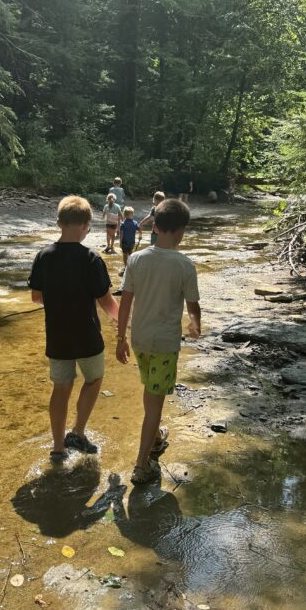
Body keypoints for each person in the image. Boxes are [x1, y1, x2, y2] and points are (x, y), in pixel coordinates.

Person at [115, 199, 201, 485]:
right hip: (164, 343)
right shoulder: (184, 264)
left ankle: (155, 435)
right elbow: (193, 304)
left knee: (150, 392)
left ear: (156, 225)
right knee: (155, 403)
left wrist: (120, 339)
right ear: (181, 231)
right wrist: (194, 324)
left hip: (139, 340)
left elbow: (125, 301)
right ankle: (142, 464)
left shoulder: (137, 259)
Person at [29, 195, 119, 462]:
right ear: (86, 226)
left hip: (57, 335)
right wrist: (124, 322)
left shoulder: (43, 256)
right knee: (93, 380)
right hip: (87, 336)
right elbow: (106, 301)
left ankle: (58, 448)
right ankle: (78, 432)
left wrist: (59, 296)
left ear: (59, 223)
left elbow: (36, 296)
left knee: (61, 388)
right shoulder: (90, 258)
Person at [119, 206, 141, 273]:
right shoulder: (135, 223)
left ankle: (126, 266)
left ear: (124, 215)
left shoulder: (123, 224)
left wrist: (120, 242)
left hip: (124, 242)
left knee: (125, 255)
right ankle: (131, 266)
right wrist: (140, 236)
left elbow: (121, 234)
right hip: (132, 242)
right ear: (132, 214)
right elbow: (140, 230)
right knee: (130, 254)